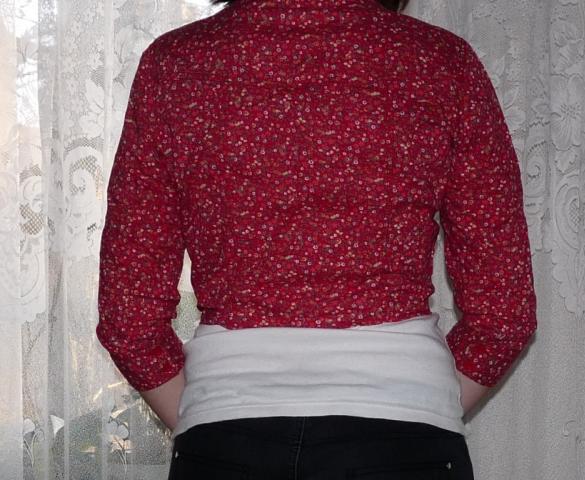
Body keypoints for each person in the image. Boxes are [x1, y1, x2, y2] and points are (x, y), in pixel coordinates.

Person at [96, 0, 538, 478]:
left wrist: (209, 410)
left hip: (225, 436)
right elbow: (503, 312)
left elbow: (129, 316)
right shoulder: (440, 62)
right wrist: (425, 401)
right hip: (407, 442)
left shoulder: (176, 65)